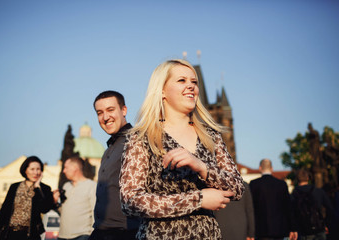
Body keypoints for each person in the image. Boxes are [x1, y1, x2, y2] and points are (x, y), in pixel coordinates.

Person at [119, 59, 245, 239]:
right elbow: (130, 201)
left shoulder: (211, 136)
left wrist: (202, 167)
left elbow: (237, 188)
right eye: (182, 81)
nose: (191, 86)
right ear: (162, 90)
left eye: (194, 82)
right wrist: (198, 199)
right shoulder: (141, 137)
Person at [89, 90, 140, 240]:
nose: (105, 117)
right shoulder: (107, 151)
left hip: (126, 233)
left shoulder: (137, 140)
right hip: (101, 231)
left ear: (124, 110)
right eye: (100, 112)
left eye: (110, 110)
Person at [0, 156, 54, 240]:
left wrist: (37, 188)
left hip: (30, 234)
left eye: (38, 169)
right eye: (32, 169)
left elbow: (44, 209)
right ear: (25, 170)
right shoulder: (14, 187)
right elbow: (3, 212)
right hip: (10, 233)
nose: (36, 172)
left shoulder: (44, 189)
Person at [250, 158, 297, 240]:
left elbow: (250, 208)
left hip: (260, 230)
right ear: (272, 168)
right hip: (279, 229)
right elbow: (288, 207)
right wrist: (292, 228)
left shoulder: (254, 184)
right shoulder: (281, 184)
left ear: (260, 168)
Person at [53, 156, 96, 240]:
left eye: (66, 167)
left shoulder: (92, 186)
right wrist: (55, 202)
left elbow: (95, 212)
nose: (63, 171)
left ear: (75, 168)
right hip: (62, 236)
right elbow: (63, 211)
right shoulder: (66, 186)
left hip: (82, 236)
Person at [291, 168, 334, 240]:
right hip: (319, 228)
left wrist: (294, 229)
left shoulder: (294, 195)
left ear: (297, 179)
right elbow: (330, 208)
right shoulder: (318, 191)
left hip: (304, 231)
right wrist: (326, 223)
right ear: (308, 178)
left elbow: (291, 214)